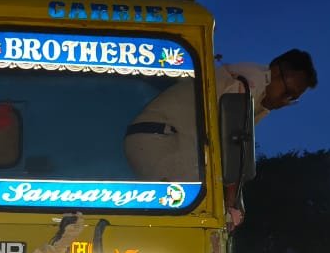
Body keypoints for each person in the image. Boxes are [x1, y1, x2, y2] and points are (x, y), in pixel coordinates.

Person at [124, 49, 317, 228]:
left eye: (292, 99)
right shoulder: (249, 82)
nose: (285, 101)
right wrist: (231, 203)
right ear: (276, 71)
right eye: (287, 92)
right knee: (202, 214)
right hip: (162, 139)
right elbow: (232, 146)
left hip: (162, 139)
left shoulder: (257, 94)